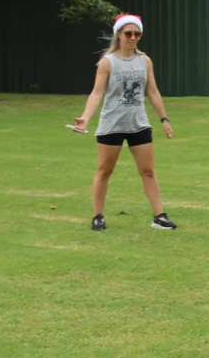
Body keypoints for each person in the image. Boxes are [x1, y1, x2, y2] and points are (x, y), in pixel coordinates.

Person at [70, 14, 177, 231]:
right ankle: (98, 216)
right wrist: (85, 118)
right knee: (104, 171)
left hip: (139, 124)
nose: (133, 37)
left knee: (148, 172)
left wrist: (164, 119)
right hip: (112, 125)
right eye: (128, 33)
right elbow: (97, 93)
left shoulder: (145, 61)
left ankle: (159, 216)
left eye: (137, 34)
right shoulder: (108, 62)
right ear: (118, 34)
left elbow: (153, 92)